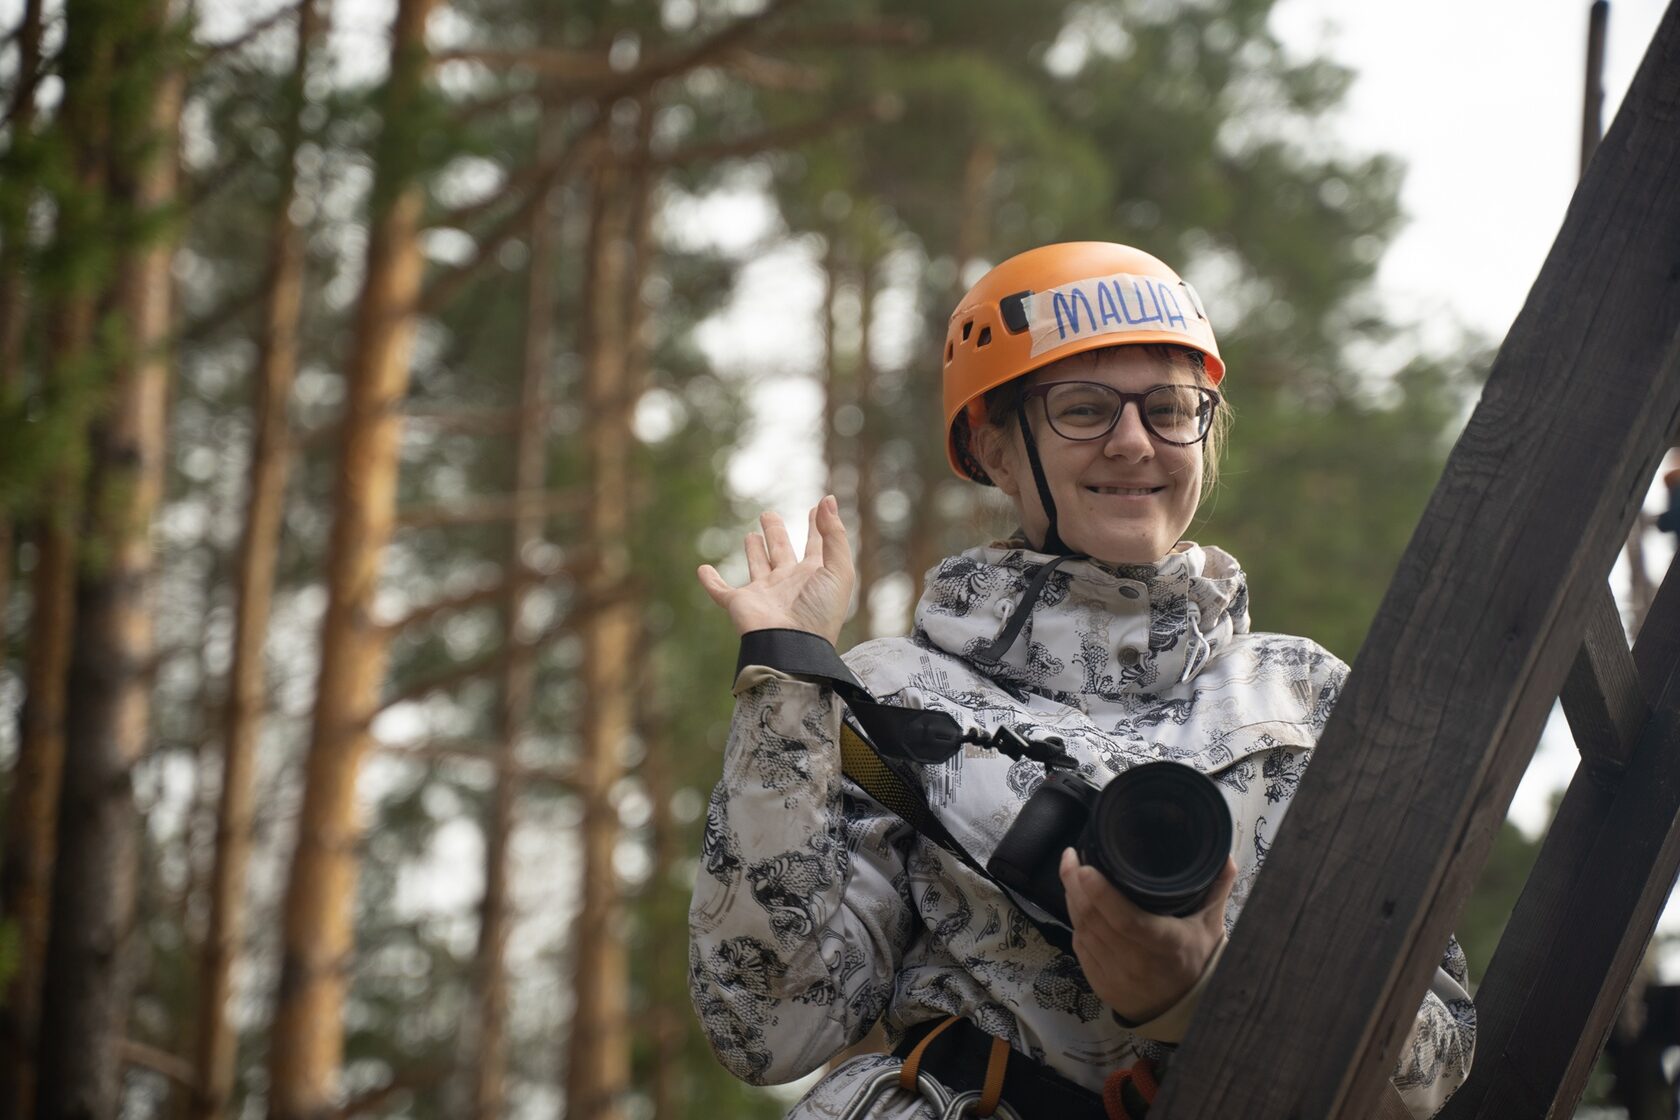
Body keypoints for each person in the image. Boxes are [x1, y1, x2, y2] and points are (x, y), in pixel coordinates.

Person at [689, 242, 1475, 1118]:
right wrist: (786, 684)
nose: (1134, 441)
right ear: (994, 447)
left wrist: (1194, 992)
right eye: (1084, 407)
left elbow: (1436, 1061)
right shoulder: (893, 700)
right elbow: (768, 1028)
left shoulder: (1309, 696)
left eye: (1172, 408)